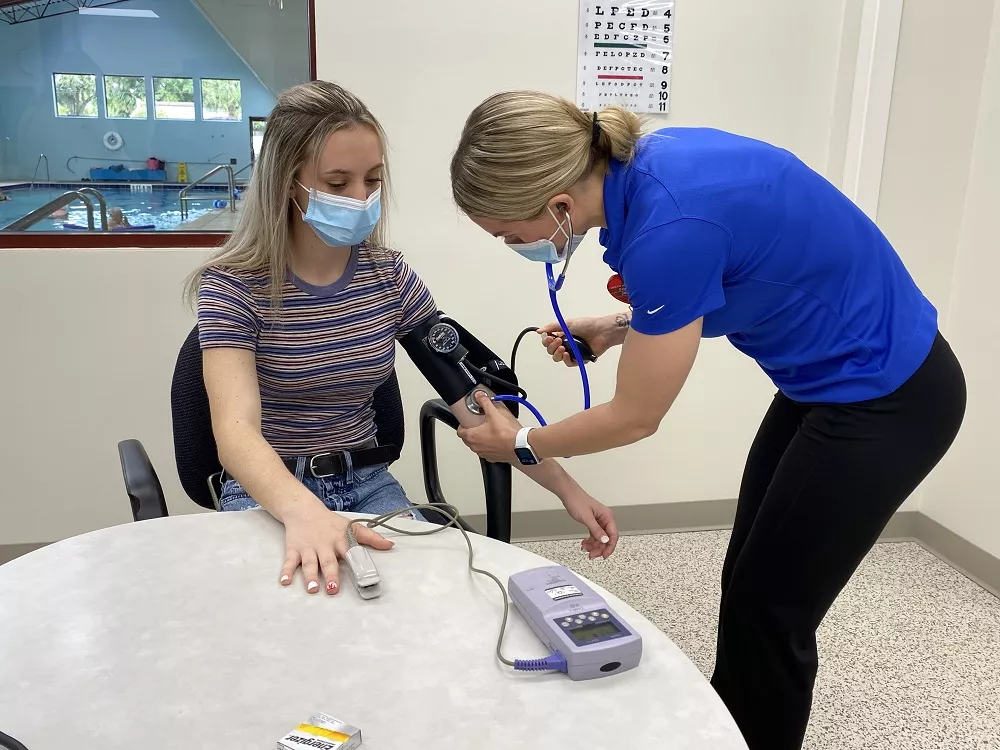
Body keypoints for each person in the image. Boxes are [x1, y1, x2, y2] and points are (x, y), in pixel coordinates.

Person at [448, 90, 966, 750]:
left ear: (557, 205)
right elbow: (737, 277)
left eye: (505, 234)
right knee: (749, 577)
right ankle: (730, 727)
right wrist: (613, 327)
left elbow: (635, 417)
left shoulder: (668, 226)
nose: (509, 246)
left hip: (891, 398)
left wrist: (517, 442)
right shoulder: (652, 164)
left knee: (772, 607)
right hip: (824, 385)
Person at [182, 82, 618, 599]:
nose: (361, 198)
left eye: (372, 179)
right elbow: (234, 436)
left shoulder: (388, 276)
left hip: (365, 483)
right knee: (287, 613)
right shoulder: (234, 286)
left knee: (418, 610)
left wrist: (568, 491)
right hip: (269, 492)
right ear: (285, 183)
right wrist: (304, 511)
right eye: (337, 183)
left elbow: (476, 407)